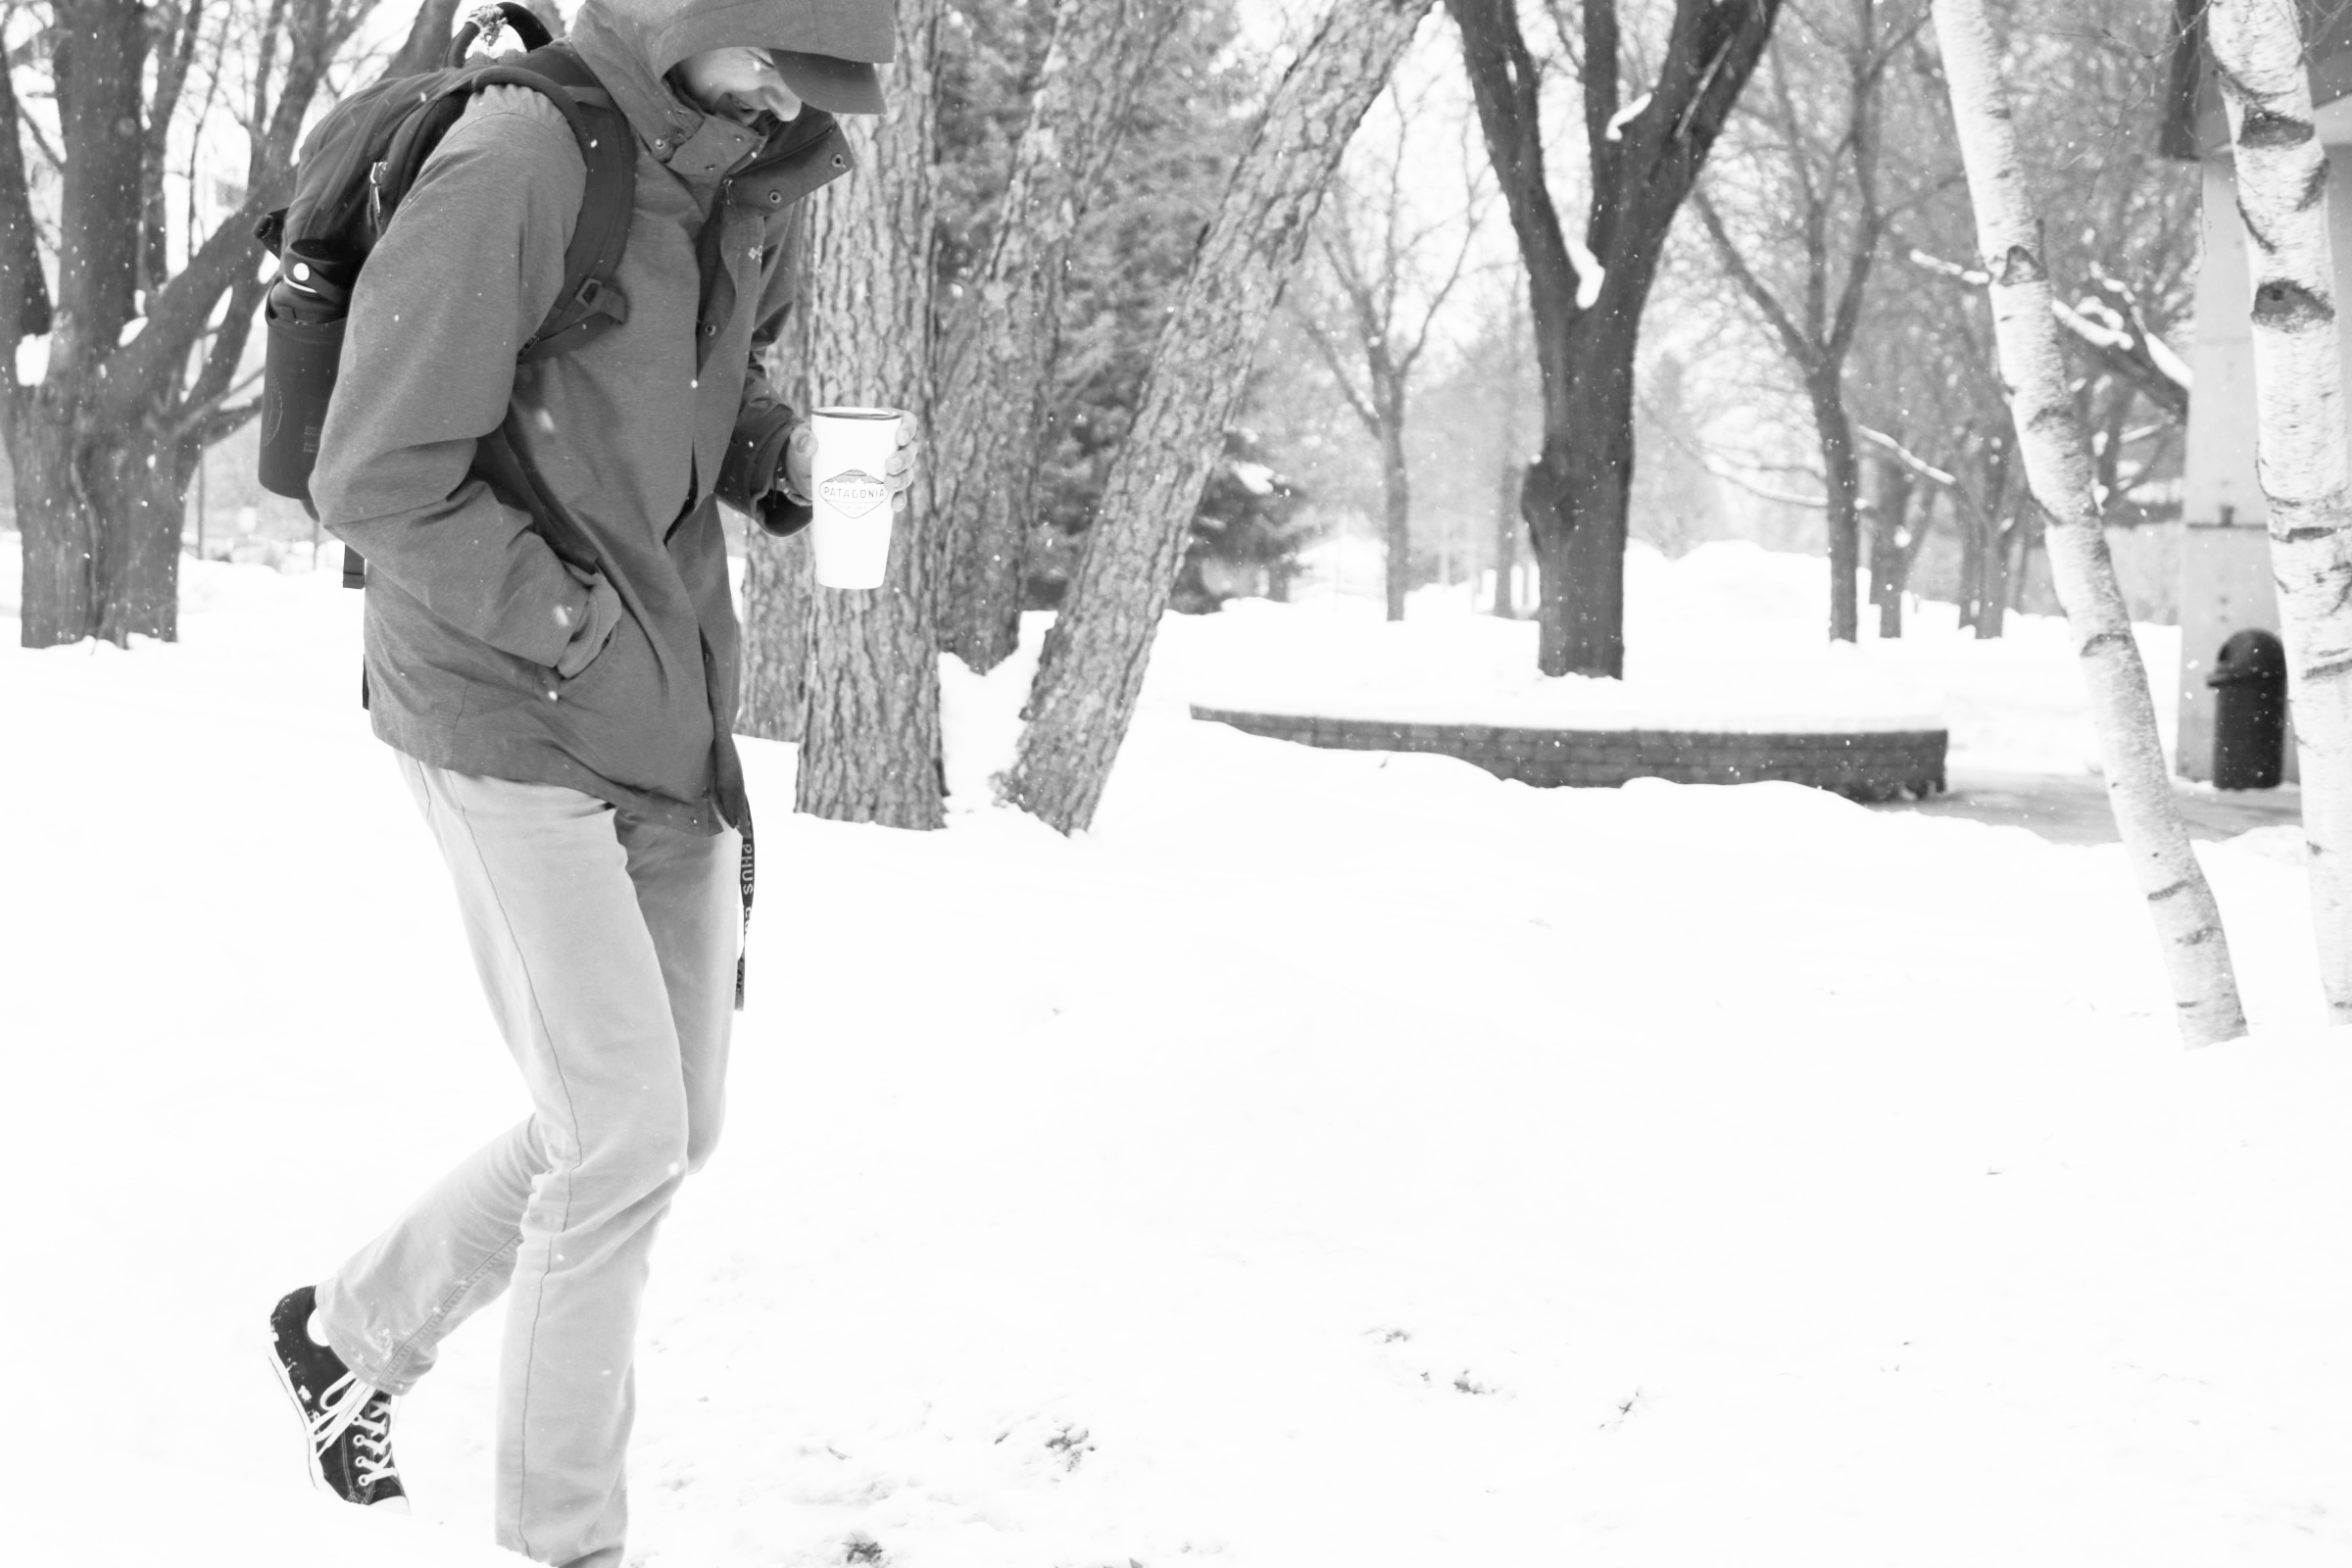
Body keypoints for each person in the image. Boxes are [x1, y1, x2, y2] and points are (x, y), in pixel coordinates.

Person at [260, 0, 912, 1563]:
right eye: (774, 60)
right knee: (617, 1138)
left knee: (660, 1126)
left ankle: (345, 1331)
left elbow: (711, 386)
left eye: (815, 85)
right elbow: (376, 473)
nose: (782, 102)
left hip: (662, 714)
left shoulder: (750, 179)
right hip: (504, 707)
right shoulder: (521, 160)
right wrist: (570, 627)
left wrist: (782, 460)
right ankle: (568, 1545)